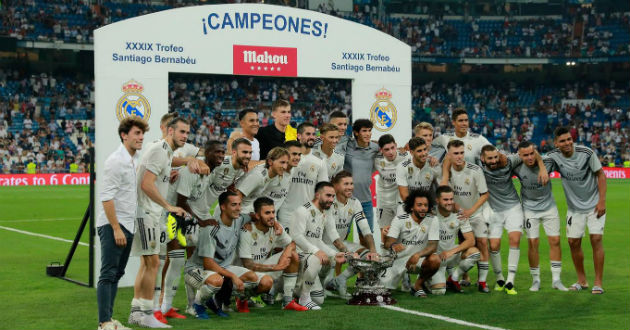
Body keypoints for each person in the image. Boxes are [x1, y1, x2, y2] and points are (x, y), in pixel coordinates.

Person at [129, 117, 188, 328]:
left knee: (148, 263)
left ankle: (137, 312)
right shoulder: (160, 150)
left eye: (187, 133)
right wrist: (168, 206)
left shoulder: (166, 152)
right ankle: (146, 314)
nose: (185, 136)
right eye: (181, 132)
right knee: (152, 263)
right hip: (147, 213)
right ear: (170, 131)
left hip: (151, 213)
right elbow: (146, 184)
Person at [160, 140, 225, 319]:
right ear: (207, 152)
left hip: (184, 219)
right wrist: (201, 222)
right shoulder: (193, 170)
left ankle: (189, 305)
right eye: (217, 152)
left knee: (189, 263)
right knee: (175, 262)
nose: (220, 155)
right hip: (171, 217)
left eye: (223, 152)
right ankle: (163, 306)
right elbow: (181, 202)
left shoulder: (209, 171)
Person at [96, 117, 148, 330]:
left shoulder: (133, 159)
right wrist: (116, 228)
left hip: (127, 225)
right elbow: (106, 198)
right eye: (137, 133)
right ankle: (104, 323)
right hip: (113, 225)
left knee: (116, 274)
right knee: (108, 274)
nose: (141, 137)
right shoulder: (116, 160)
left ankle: (109, 320)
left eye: (142, 133)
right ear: (124, 135)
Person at [479, 144, 547, 295]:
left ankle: (510, 281)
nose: (494, 160)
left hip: (513, 208)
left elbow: (532, 152)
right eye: (490, 158)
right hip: (494, 210)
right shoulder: (478, 167)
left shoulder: (509, 161)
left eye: (496, 157)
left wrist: (542, 166)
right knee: (494, 245)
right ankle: (499, 279)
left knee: (514, 239)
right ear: (483, 159)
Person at [547, 127, 607, 294]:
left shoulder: (586, 153)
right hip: (574, 208)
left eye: (569, 139)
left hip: (594, 204)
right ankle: (582, 280)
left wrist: (602, 201)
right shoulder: (553, 157)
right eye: (563, 141)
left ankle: (598, 283)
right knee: (573, 243)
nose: (567, 143)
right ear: (556, 143)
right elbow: (539, 162)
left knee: (596, 239)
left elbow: (601, 175)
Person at [183, 191, 259, 318]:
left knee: (253, 279)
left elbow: (252, 216)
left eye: (240, 204)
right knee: (217, 280)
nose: (238, 208)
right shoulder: (211, 228)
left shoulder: (239, 219)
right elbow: (208, 264)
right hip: (197, 269)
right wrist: (233, 276)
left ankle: (215, 298)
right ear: (223, 207)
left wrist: (271, 224)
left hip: (221, 269)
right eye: (234, 205)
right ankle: (198, 304)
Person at [513, 141, 568, 292]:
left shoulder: (548, 162)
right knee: (533, 243)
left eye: (532, 154)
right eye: (525, 155)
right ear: (519, 155)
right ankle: (535, 280)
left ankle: (556, 279)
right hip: (529, 209)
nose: (530, 157)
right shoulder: (516, 166)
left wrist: (542, 165)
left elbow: (557, 155)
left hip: (549, 207)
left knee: (555, 241)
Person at [237, 197, 307, 311]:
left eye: (273, 212)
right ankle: (242, 297)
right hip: (243, 274)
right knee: (266, 282)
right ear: (257, 216)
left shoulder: (275, 227)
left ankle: (288, 301)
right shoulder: (247, 231)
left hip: (262, 269)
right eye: (267, 213)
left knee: (293, 254)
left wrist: (285, 254)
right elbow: (248, 265)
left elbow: (292, 243)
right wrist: (275, 267)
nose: (272, 216)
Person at [289, 182, 350, 310]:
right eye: (328, 196)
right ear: (317, 195)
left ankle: (295, 291)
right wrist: (316, 251)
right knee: (317, 258)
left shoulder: (323, 213)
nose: (331, 200)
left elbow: (317, 241)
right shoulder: (302, 211)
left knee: (319, 299)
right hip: (295, 257)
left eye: (333, 196)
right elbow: (296, 236)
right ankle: (303, 297)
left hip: (308, 258)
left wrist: (333, 254)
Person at [441, 139, 491, 293]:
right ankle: (458, 277)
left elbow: (484, 194)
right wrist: (445, 169)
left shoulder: (475, 170)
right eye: (455, 153)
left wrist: (470, 211)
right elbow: (443, 190)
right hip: (456, 216)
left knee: (482, 243)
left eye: (462, 153)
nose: (459, 156)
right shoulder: (446, 172)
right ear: (449, 155)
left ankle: (482, 282)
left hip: (474, 214)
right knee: (463, 245)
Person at [325, 171, 378, 298]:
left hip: (342, 243)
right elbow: (332, 233)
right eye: (346, 184)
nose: (350, 187)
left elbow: (365, 229)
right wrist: (348, 253)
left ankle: (341, 279)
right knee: (322, 292)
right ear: (336, 186)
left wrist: (373, 251)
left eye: (351, 183)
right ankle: (329, 282)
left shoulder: (355, 202)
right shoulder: (328, 203)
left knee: (367, 257)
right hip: (325, 245)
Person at [381, 190, 441, 297]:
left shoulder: (433, 220)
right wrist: (393, 245)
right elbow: (387, 243)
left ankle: (418, 285)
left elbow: (433, 246)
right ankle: (404, 277)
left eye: (426, 205)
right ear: (412, 207)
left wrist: (417, 255)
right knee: (382, 292)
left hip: (418, 260)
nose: (423, 208)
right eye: (419, 205)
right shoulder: (399, 220)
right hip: (397, 260)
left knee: (435, 260)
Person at [428, 185, 480, 295]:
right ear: (437, 200)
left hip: (449, 255)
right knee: (439, 291)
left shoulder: (459, 216)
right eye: (445, 199)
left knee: (474, 253)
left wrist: (451, 252)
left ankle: (453, 279)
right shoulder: (430, 214)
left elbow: (471, 240)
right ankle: (425, 278)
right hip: (434, 259)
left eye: (451, 199)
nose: (449, 202)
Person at [277, 123, 328, 232]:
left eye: (314, 134)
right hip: (286, 213)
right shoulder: (286, 156)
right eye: (308, 134)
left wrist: (322, 211)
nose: (312, 137)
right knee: (284, 248)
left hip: (308, 214)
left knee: (307, 248)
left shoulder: (320, 160)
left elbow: (323, 188)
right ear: (299, 136)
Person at [343, 119, 380, 232]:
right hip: (345, 201)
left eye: (369, 130)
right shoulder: (347, 144)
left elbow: (391, 152)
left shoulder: (375, 148)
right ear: (356, 132)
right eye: (364, 131)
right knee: (342, 235)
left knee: (367, 237)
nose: (368, 134)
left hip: (366, 201)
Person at [374, 134, 408, 241]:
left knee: (403, 233)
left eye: (393, 148)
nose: (391, 152)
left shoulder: (405, 156)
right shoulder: (376, 158)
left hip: (400, 202)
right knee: (385, 233)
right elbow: (366, 144)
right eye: (386, 149)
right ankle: (385, 257)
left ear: (396, 146)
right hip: (383, 201)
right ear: (381, 150)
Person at [236, 147, 290, 214]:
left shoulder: (273, 174)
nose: (285, 167)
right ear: (270, 162)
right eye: (282, 162)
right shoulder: (258, 176)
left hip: (249, 211)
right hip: (239, 213)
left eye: (287, 163)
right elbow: (237, 194)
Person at [396, 137, 442, 204]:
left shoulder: (434, 165)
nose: (424, 153)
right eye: (419, 151)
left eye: (425, 149)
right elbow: (404, 195)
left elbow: (442, 188)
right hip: (406, 204)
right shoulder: (402, 167)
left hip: (425, 205)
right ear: (411, 152)